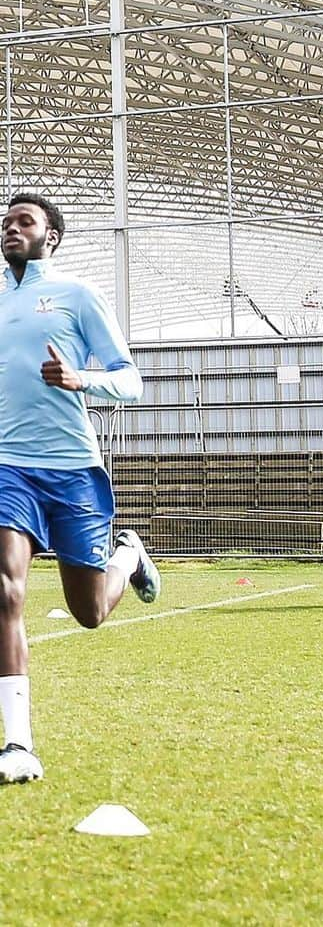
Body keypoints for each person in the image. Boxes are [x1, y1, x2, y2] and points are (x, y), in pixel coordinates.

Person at [0, 193, 160, 785]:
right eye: (6, 222)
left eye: (25, 222)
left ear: (52, 237)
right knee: (5, 590)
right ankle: (18, 743)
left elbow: (132, 380)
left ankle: (129, 554)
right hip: (8, 468)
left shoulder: (76, 295)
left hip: (71, 469)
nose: (12, 229)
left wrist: (79, 378)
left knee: (89, 611)